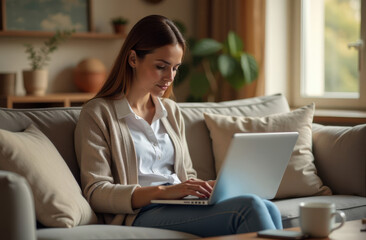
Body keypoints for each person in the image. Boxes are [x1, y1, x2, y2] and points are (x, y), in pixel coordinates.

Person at [74, 15, 282, 237]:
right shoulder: (97, 114)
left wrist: (202, 187)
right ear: (133, 59)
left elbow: (186, 173)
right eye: (161, 67)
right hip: (141, 213)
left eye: (175, 68)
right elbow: (96, 192)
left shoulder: (170, 111)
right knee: (247, 208)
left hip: (181, 204)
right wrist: (165, 192)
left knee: (266, 205)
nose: (169, 77)